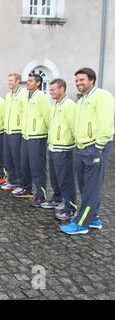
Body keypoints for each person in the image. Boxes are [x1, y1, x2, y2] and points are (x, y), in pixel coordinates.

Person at [60, 68, 114, 235]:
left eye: (82, 80)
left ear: (92, 80)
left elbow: (105, 124)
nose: (78, 83)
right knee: (84, 185)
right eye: (76, 81)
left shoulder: (102, 96)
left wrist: (99, 147)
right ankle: (94, 218)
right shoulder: (83, 99)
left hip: (94, 148)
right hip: (81, 147)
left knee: (91, 187)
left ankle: (81, 223)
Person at [12, 73, 52, 208]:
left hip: (37, 137)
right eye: (27, 81)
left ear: (38, 83)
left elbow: (48, 117)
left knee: (37, 168)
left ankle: (41, 195)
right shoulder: (26, 97)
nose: (27, 83)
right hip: (26, 136)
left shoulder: (42, 97)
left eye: (30, 81)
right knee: (25, 164)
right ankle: (26, 188)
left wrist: (48, 135)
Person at [42, 79, 77, 221]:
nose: (51, 92)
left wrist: (77, 145)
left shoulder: (69, 105)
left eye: (53, 90)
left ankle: (70, 208)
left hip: (65, 149)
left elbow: (74, 126)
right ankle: (57, 198)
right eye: (50, 90)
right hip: (53, 147)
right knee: (55, 178)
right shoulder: (55, 104)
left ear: (62, 89)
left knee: (65, 179)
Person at [1, 74, 28, 192]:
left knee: (18, 159)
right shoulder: (8, 95)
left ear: (18, 81)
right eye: (8, 80)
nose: (9, 82)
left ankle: (21, 184)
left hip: (17, 131)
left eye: (11, 80)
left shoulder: (23, 95)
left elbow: (25, 113)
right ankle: (12, 181)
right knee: (8, 158)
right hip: (7, 131)